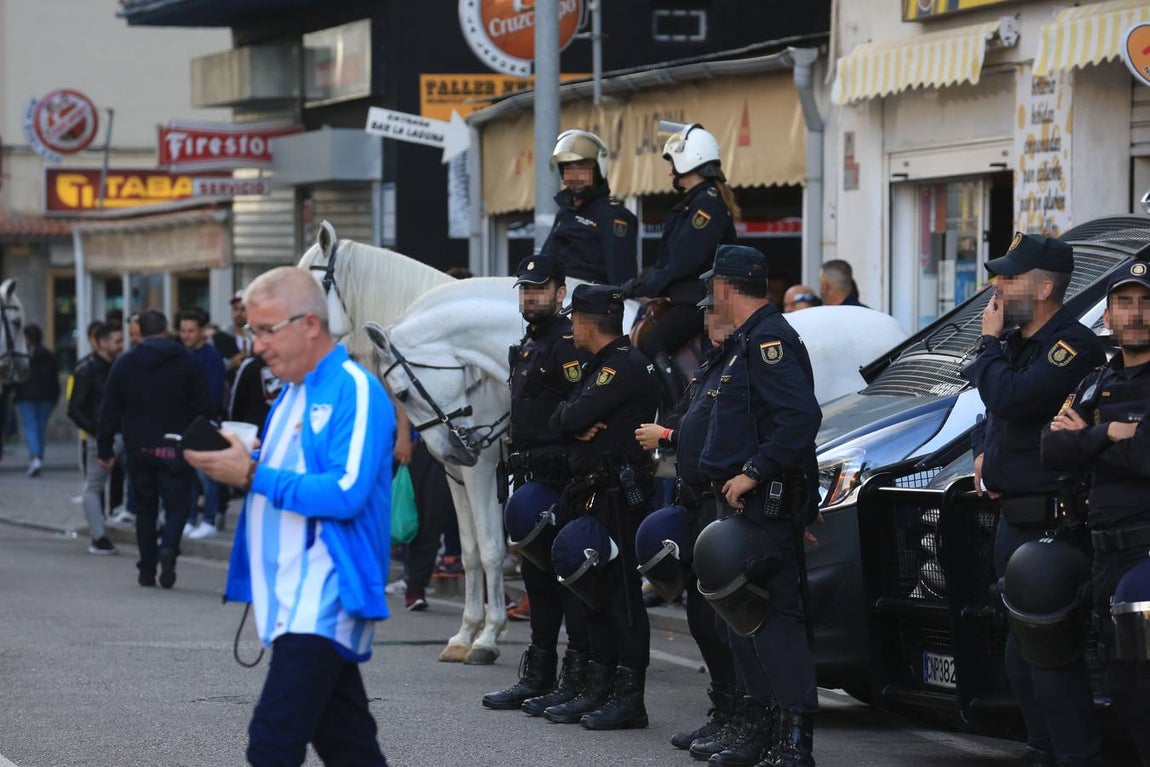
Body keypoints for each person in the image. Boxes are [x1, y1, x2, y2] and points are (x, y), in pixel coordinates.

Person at [184, 266, 393, 767]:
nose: (256, 345)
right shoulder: (293, 392)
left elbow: (346, 491)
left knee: (272, 743)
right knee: (350, 748)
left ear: (310, 324)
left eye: (265, 330)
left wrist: (252, 473)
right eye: (252, 331)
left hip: (325, 595)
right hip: (292, 597)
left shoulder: (354, 389)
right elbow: (279, 474)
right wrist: (237, 459)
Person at [961, 232, 1105, 767]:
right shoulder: (1019, 342)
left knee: (1047, 649)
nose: (997, 287)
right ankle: (1041, 749)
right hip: (1011, 518)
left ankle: (1070, 754)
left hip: (1051, 523)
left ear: (1044, 288)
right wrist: (981, 451)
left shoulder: (1072, 346)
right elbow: (990, 414)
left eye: (1010, 277)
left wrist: (989, 345)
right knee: (1019, 651)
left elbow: (1014, 396)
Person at [695, 244, 822, 767]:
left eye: (712, 289)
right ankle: (759, 728)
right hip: (743, 509)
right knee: (740, 623)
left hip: (766, 507)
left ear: (725, 288)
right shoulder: (747, 340)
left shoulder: (769, 339)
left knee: (774, 624)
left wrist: (754, 471)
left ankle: (793, 740)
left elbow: (800, 418)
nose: (710, 298)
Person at [1043, 259, 1150, 766]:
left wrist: (1083, 441)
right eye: (1125, 303)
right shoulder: (1095, 380)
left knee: (1143, 690)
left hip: (1146, 557)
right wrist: (1109, 433)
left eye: (1146, 301)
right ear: (1107, 315)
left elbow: (1146, 456)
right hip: (1105, 556)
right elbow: (1050, 449)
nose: (1136, 314)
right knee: (1124, 689)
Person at [543, 284, 658, 730]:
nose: (571, 328)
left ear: (589, 322)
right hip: (593, 493)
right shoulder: (603, 365)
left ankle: (629, 699)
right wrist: (572, 422)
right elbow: (566, 418)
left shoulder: (622, 366)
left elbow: (569, 418)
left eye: (575, 320)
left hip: (615, 496)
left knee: (621, 597)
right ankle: (600, 684)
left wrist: (572, 422)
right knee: (594, 593)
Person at [482, 253, 592, 714]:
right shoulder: (529, 342)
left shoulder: (566, 341)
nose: (531, 296)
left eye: (540, 289)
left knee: (567, 580)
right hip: (530, 476)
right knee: (536, 580)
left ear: (560, 293)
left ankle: (575, 675)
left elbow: (585, 407)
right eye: (526, 289)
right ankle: (539, 671)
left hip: (560, 479)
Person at [634, 289, 740, 754]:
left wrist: (669, 435)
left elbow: (715, 431)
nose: (709, 321)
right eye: (705, 315)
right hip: (698, 503)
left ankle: (749, 717)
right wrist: (672, 430)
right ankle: (726, 711)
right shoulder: (711, 365)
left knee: (729, 620)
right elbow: (685, 414)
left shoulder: (751, 362)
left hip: (731, 506)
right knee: (700, 615)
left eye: (715, 311)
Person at [97, 309, 210, 588]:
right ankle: (169, 547)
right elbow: (205, 405)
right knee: (177, 506)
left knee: (145, 509)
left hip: (140, 448)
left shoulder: (125, 364)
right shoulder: (187, 360)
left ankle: (147, 568)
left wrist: (105, 448)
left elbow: (108, 409)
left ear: (140, 332)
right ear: (167, 329)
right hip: (176, 446)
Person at [620, 123, 738, 364]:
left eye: (672, 163)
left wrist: (637, 287)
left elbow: (683, 261)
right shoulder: (696, 202)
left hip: (701, 299)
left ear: (690, 159)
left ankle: (681, 403)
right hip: (688, 297)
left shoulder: (706, 205)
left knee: (652, 344)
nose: (670, 172)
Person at [543, 129, 638, 286]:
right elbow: (546, 261)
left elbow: (622, 279)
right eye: (568, 168)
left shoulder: (614, 217)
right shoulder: (565, 213)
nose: (574, 175)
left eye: (581, 167)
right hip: (557, 301)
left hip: (589, 304)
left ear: (597, 169)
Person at [67, 321, 124, 555]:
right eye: (116, 341)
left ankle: (121, 515)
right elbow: (75, 409)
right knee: (94, 485)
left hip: (120, 433)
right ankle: (99, 536)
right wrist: (97, 432)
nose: (120, 345)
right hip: (100, 436)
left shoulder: (117, 366)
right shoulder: (87, 369)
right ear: (101, 342)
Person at [178, 308, 228, 539]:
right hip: (184, 421)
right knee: (188, 475)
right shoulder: (180, 355)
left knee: (207, 475)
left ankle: (209, 518)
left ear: (202, 332)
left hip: (204, 421)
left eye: (191, 331)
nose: (186, 335)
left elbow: (214, 394)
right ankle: (190, 518)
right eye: (183, 330)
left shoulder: (211, 357)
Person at [14, 324, 60, 477]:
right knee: (39, 428)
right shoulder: (48, 354)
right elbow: (54, 379)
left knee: (31, 427)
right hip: (45, 397)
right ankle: (38, 456)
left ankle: (35, 457)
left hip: (26, 396)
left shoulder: (23, 355)